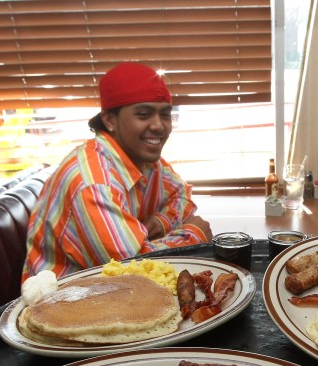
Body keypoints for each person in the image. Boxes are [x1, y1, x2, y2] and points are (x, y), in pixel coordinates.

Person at [23, 62, 212, 278]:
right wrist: (195, 235)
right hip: (60, 301)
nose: (159, 126)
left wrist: (160, 222)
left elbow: (182, 196)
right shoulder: (93, 184)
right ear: (110, 120)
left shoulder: (143, 160)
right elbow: (131, 269)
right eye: (143, 115)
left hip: (109, 293)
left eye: (165, 115)